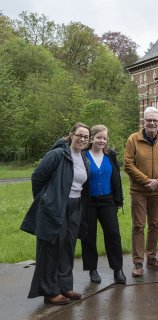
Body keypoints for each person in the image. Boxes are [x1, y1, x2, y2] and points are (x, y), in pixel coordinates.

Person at [21, 123, 90, 305]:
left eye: (86, 137)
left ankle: (65, 286)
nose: (82, 139)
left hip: (75, 207)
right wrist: (45, 200)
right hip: (56, 207)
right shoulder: (58, 154)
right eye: (79, 135)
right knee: (50, 249)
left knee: (67, 247)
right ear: (71, 135)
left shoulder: (83, 158)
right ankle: (49, 291)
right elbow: (37, 177)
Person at [124, 107, 158, 277]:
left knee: (154, 224)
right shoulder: (133, 139)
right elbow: (128, 164)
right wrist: (146, 181)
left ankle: (152, 258)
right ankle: (138, 263)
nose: (152, 123)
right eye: (149, 120)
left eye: (155, 120)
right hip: (139, 190)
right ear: (143, 121)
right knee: (138, 225)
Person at [81, 125, 126, 285]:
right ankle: (92, 269)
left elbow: (117, 180)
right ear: (92, 137)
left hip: (107, 201)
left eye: (104, 138)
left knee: (113, 234)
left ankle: (117, 269)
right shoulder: (83, 155)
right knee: (89, 236)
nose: (102, 141)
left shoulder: (111, 155)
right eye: (99, 137)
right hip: (88, 202)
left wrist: (118, 200)